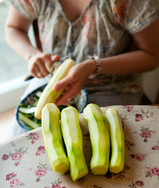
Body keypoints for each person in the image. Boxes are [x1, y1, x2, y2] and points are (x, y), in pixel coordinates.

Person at [5, 1, 159, 114]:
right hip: (50, 80)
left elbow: (151, 56)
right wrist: (32, 55)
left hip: (111, 88)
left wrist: (94, 66)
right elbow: (14, 28)